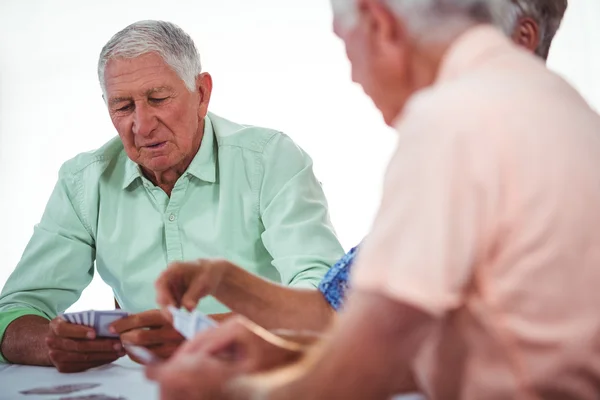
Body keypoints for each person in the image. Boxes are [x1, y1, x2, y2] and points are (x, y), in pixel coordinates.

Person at [148, 0, 600, 398]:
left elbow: (373, 357)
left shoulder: (452, 119)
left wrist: (236, 394)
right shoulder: (561, 102)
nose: (354, 76)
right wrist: (286, 353)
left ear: (379, 22)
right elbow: (467, 336)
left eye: (347, 47)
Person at [0, 20, 344, 373]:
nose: (142, 125)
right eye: (123, 107)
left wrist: (204, 333)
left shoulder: (270, 160)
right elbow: (13, 310)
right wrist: (49, 344)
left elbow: (324, 299)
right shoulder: (83, 182)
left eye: (158, 99)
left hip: (266, 380)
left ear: (202, 93)